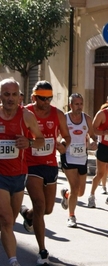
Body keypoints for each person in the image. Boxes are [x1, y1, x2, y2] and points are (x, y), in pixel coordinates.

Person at [20, 80, 71, 265]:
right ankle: (42, 250)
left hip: (50, 163)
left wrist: (63, 145)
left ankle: (28, 215)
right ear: (34, 97)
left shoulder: (58, 114)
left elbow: (66, 136)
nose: (46, 102)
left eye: (49, 98)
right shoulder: (25, 112)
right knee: (40, 205)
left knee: (48, 209)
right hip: (30, 164)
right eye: (42, 99)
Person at [0, 78, 44, 266]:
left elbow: (41, 139)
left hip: (18, 174)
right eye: (6, 94)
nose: (10, 98)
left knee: (10, 220)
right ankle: (13, 261)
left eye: (14, 94)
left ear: (20, 96)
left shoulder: (26, 116)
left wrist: (29, 143)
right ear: (0, 95)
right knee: (7, 219)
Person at [59, 93, 97, 227]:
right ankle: (71, 216)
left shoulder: (87, 118)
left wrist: (92, 142)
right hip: (68, 155)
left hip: (82, 157)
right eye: (76, 104)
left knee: (80, 192)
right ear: (71, 105)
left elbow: (92, 135)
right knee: (75, 187)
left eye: (81, 104)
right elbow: (57, 134)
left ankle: (66, 195)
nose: (79, 107)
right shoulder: (64, 118)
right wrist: (61, 145)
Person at [98, 103, 108, 195]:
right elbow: (96, 130)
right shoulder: (100, 120)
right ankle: (104, 187)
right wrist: (105, 132)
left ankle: (101, 178)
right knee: (104, 168)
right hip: (103, 146)